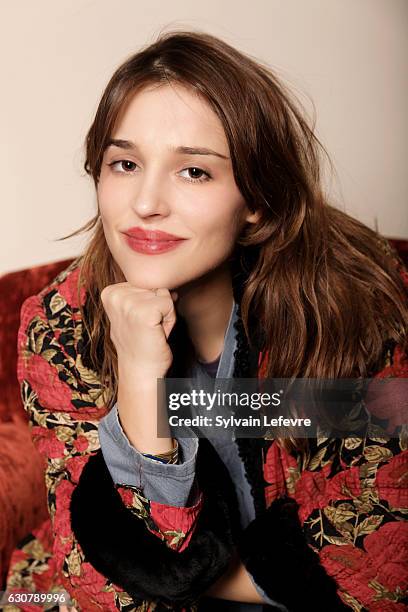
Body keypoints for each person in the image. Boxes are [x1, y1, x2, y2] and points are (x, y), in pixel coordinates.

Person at [4, 30, 407, 612]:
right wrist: (142, 383)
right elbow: (103, 598)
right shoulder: (60, 323)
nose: (146, 202)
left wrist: (173, 575)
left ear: (257, 199)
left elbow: (379, 574)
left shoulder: (354, 301)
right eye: (124, 163)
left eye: (194, 172)